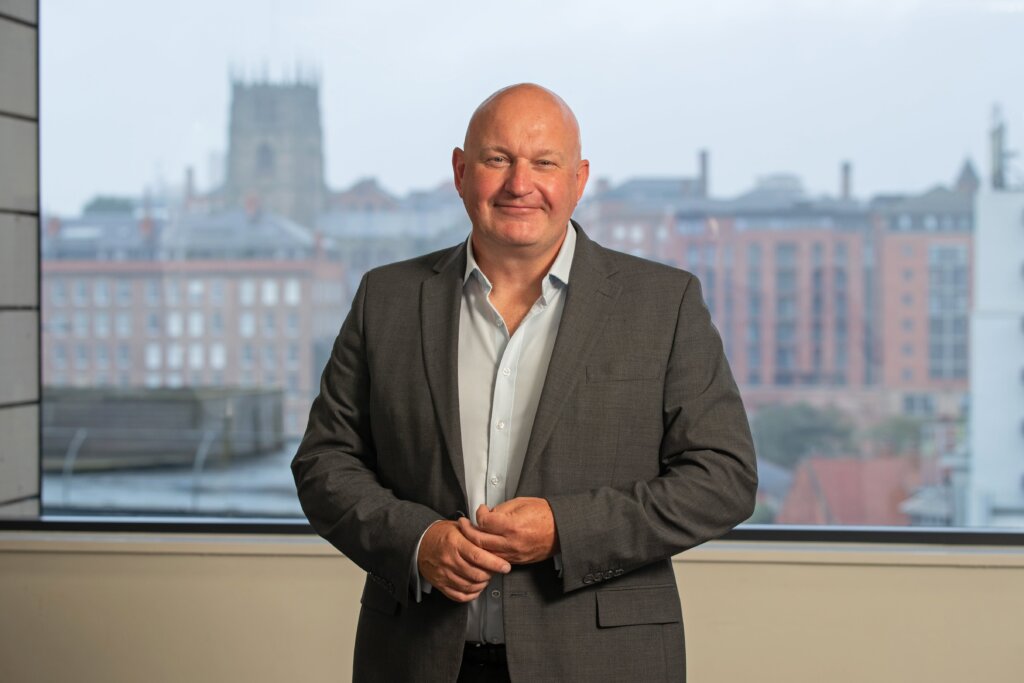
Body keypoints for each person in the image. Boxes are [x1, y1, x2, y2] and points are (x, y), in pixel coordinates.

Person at [292, 83, 757, 683]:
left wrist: (564, 530)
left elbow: (724, 479)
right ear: (461, 172)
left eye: (544, 163)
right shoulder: (387, 298)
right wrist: (418, 541)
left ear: (579, 179)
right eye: (497, 159)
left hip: (602, 664)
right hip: (417, 657)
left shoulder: (664, 304)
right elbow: (325, 462)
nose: (520, 184)